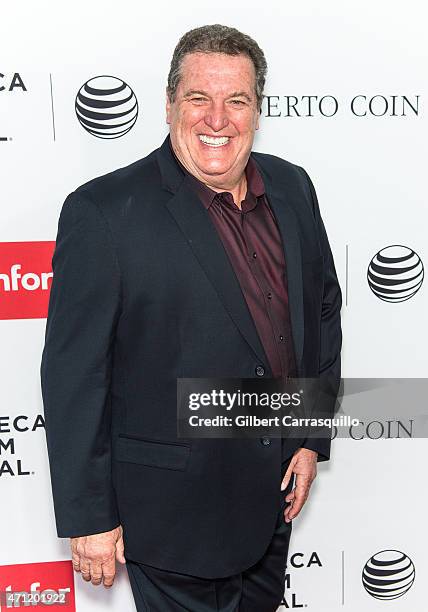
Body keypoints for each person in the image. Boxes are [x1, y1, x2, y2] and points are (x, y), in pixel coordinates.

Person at [40, 23, 342, 611]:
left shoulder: (292, 187)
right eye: (199, 98)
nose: (217, 119)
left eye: (237, 100)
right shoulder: (103, 213)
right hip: (171, 515)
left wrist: (307, 437)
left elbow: (322, 314)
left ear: (259, 108)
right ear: (171, 104)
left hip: (269, 500)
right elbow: (75, 376)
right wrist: (90, 518)